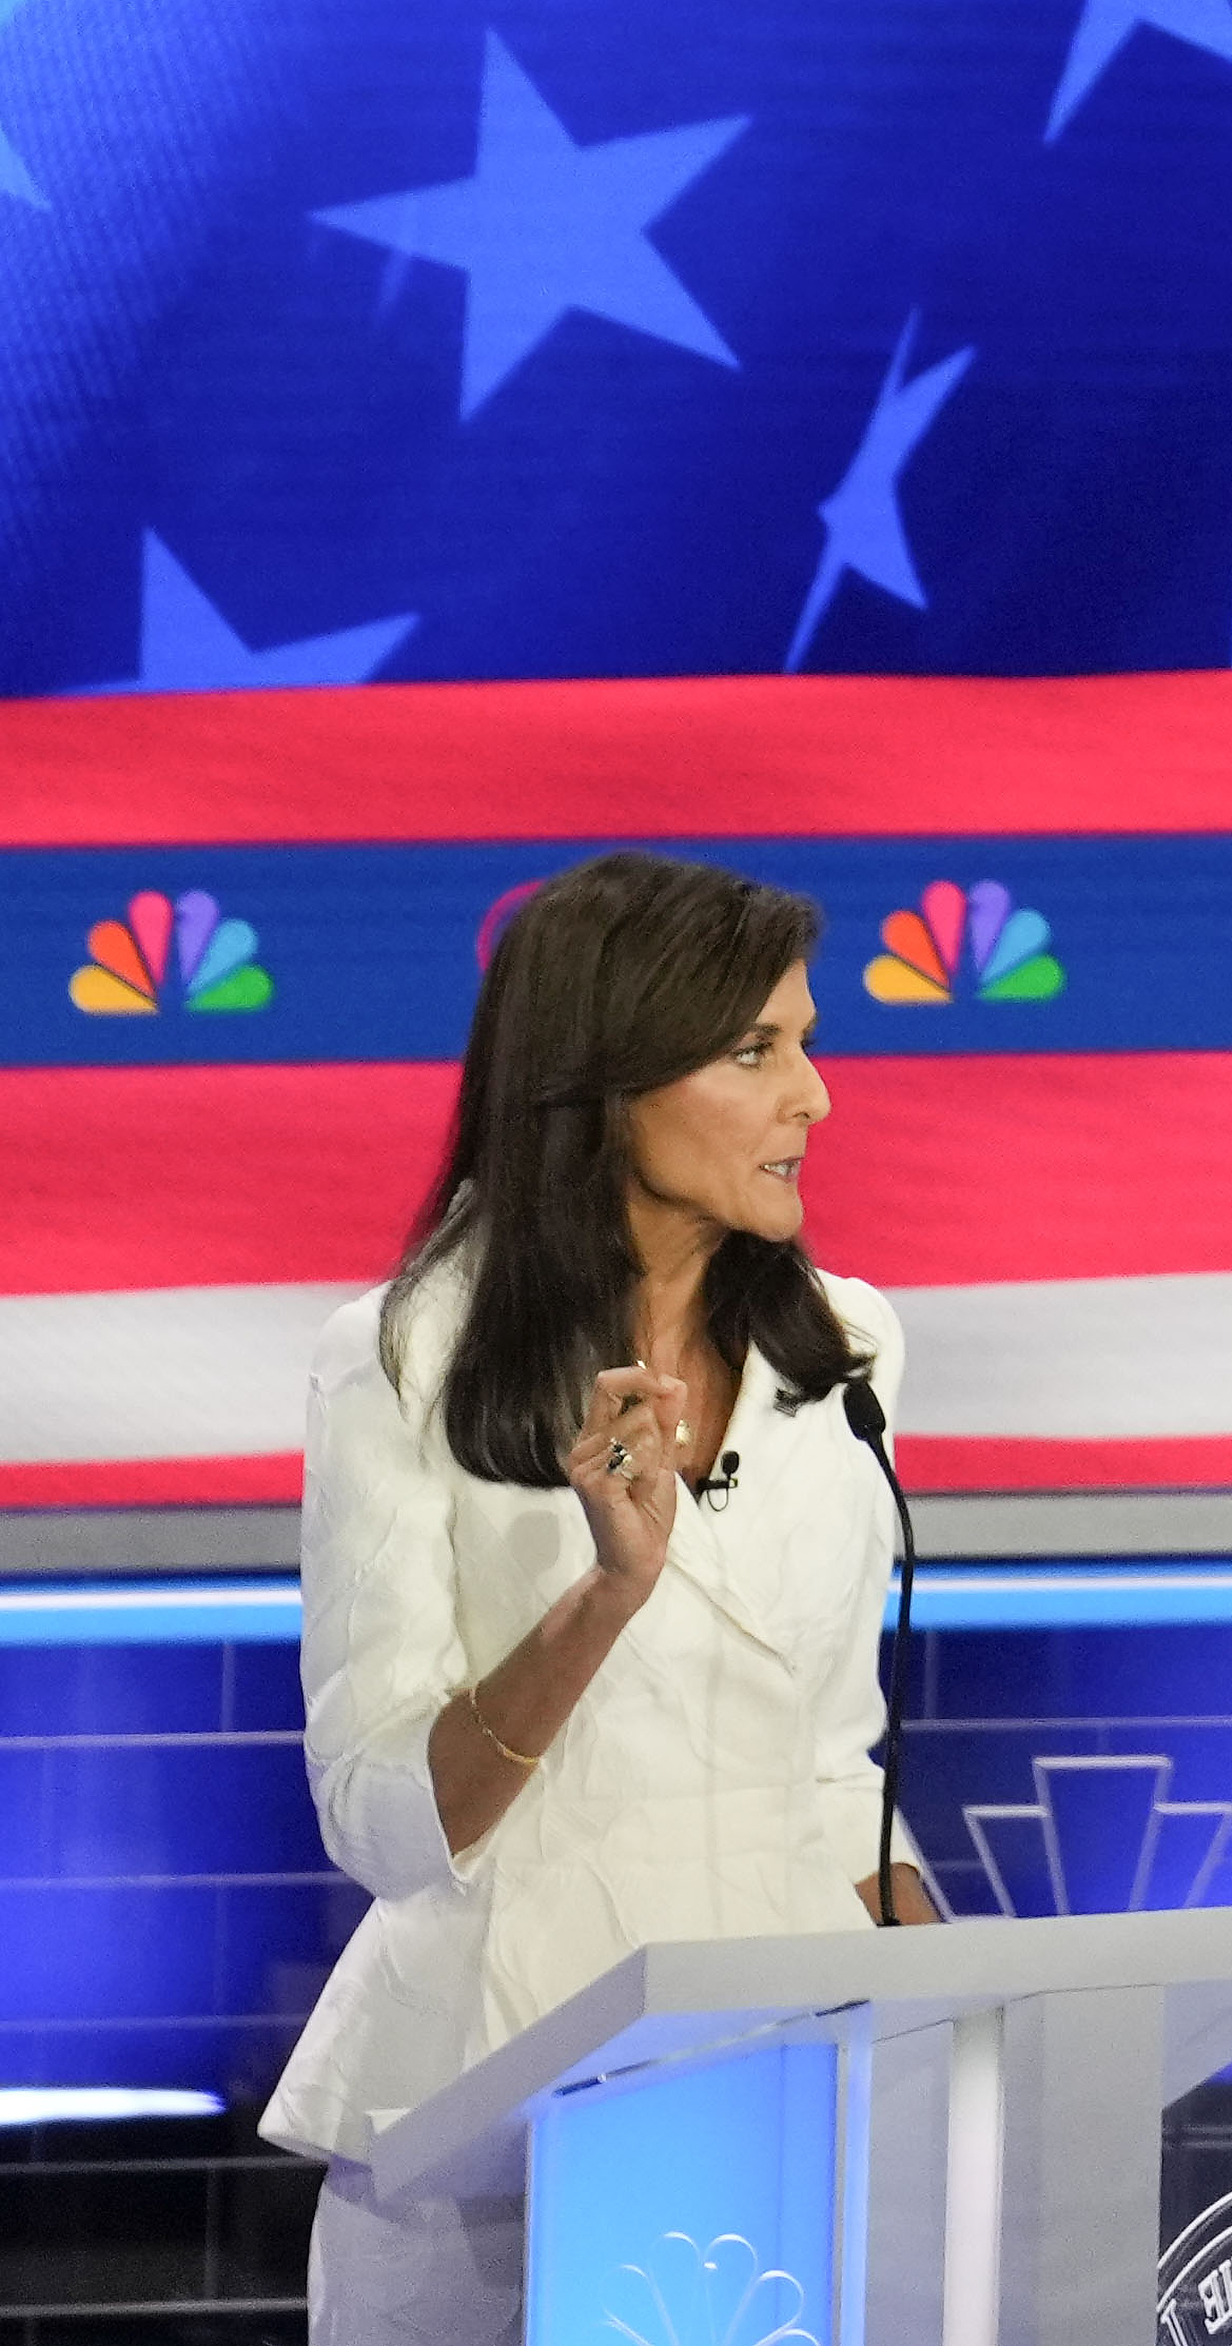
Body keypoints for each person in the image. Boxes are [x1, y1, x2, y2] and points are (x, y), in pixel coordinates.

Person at [269, 853, 938, 2346]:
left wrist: (979, 2030)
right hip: (492, 2116)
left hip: (784, 2098)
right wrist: (602, 1600)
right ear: (605, 1084)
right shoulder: (401, 1360)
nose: (816, 1096)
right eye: (756, 1051)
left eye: (807, 1042)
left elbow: (834, 1773)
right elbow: (380, 1822)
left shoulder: (847, 1350)